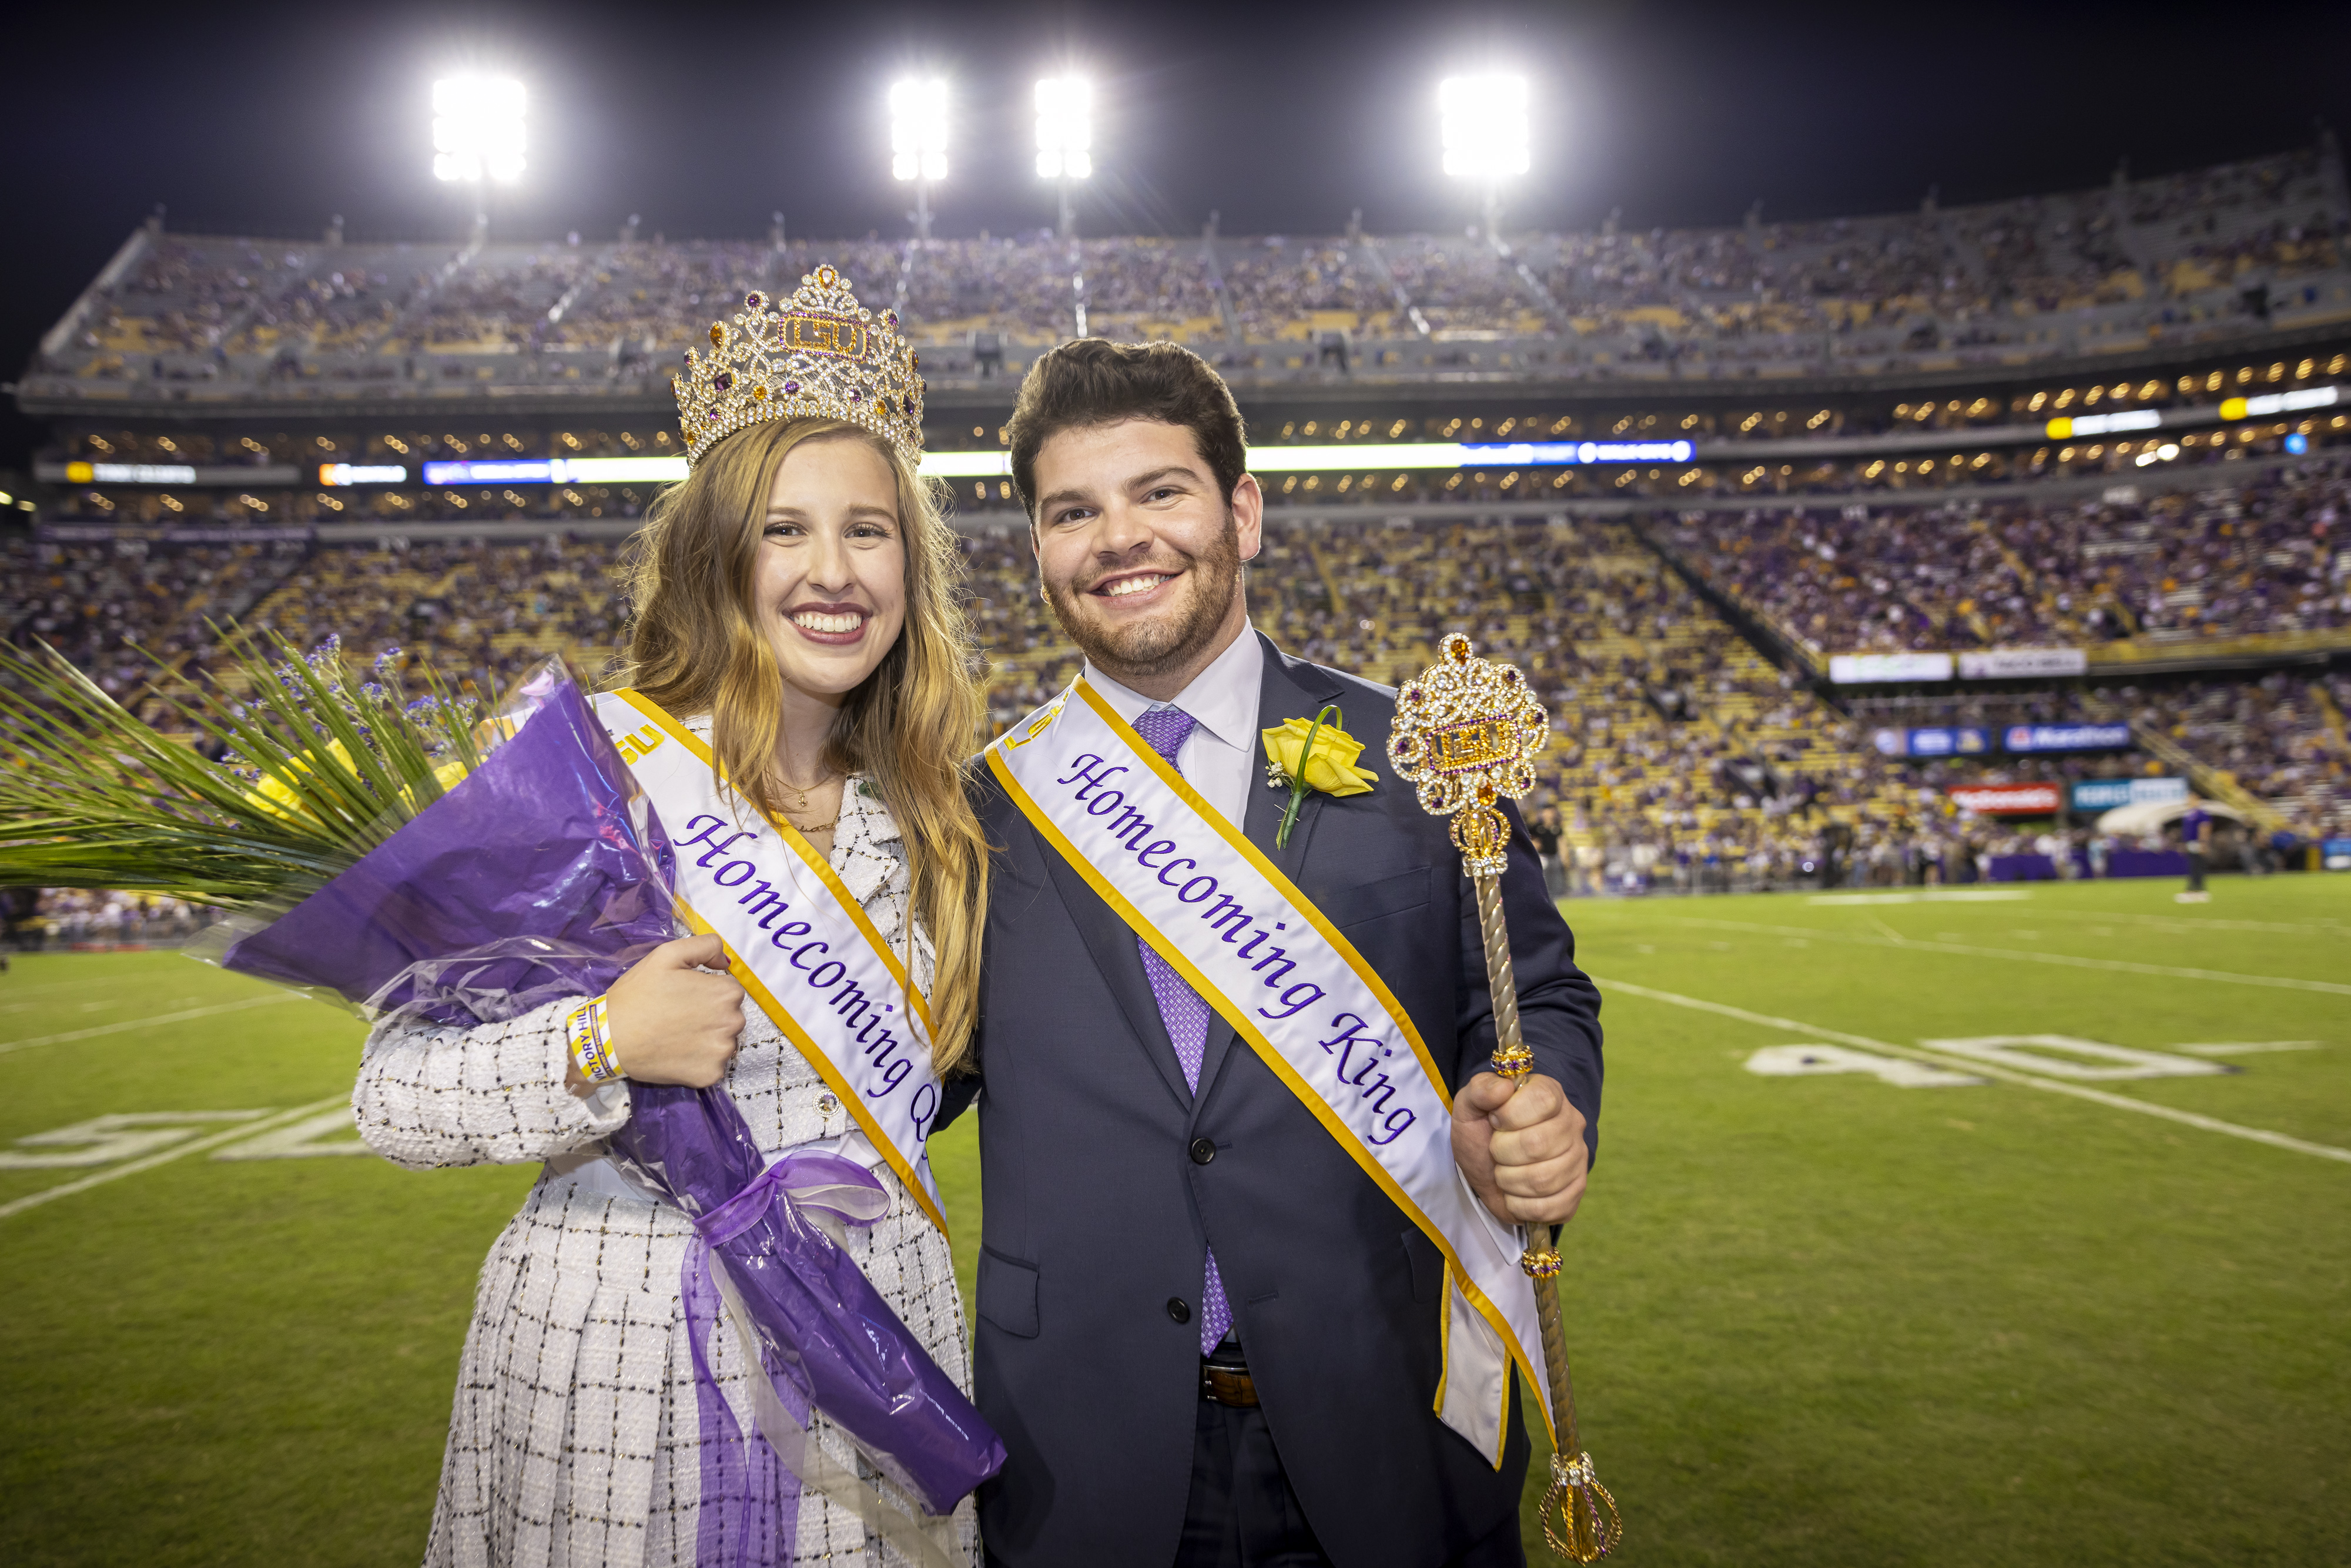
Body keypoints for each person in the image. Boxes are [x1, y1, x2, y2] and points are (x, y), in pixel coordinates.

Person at [353, 270, 991, 1566]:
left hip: (877, 1332)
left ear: (909, 564)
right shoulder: (587, 772)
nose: (831, 572)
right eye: (782, 530)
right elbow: (392, 1098)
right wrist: (602, 1038)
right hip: (622, 1332)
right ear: (715, 553)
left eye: (868, 531)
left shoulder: (938, 812)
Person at [942, 339, 1605, 1566]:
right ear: (1035, 546)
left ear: (1239, 511)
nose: (1118, 538)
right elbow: (901, 1071)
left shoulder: (1414, 756)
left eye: (1160, 492)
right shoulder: (979, 810)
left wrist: (1544, 1096)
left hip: (1382, 1406)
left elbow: (1539, 989)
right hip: (1078, 1438)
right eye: (1072, 510)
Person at [2178, 795, 2213, 902]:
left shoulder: (2201, 814)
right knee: (2192, 866)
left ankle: (2199, 889)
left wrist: (2204, 843)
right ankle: (2194, 888)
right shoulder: (2188, 814)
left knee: (2198, 866)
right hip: (2190, 844)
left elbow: (2205, 827)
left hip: (2198, 843)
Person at [1530, 804, 1566, 900]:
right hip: (1542, 857)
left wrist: (1565, 858)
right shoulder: (1536, 828)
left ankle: (1554, 903)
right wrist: (1534, 844)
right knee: (1543, 882)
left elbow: (1561, 843)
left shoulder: (1557, 828)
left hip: (1554, 857)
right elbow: (1528, 840)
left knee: (1555, 884)